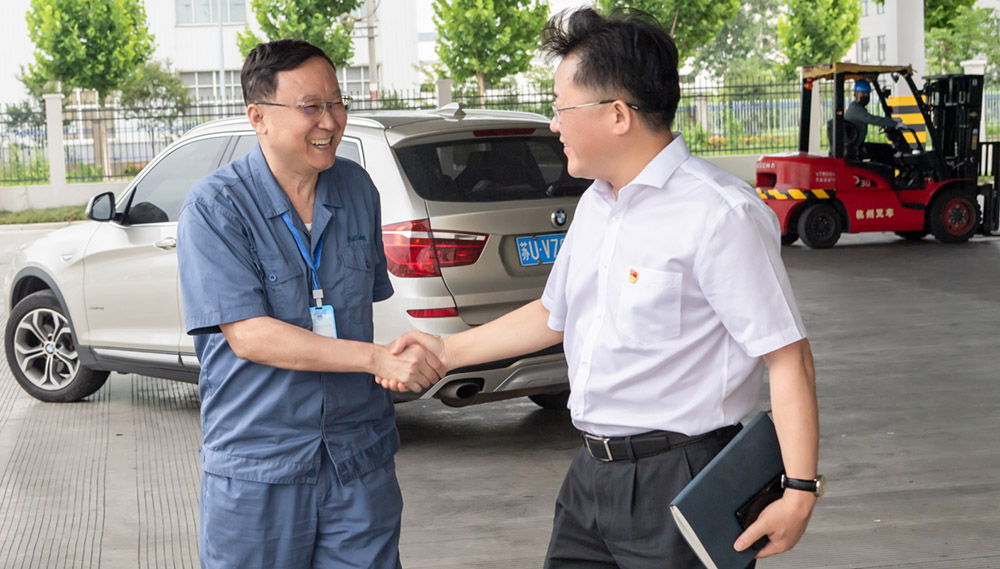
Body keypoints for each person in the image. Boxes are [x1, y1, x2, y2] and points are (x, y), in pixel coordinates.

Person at [382, 8, 820, 569]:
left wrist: (799, 490)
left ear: (617, 114)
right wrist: (445, 352)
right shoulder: (597, 203)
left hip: (681, 477)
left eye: (561, 107)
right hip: (591, 474)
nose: (554, 124)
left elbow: (787, 357)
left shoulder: (719, 214)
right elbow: (553, 313)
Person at [176, 39, 444, 569]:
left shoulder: (357, 189)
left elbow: (363, 304)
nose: (330, 121)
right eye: (311, 107)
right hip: (261, 466)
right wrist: (377, 359)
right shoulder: (215, 207)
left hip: (357, 459)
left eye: (336, 103)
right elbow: (250, 336)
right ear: (259, 117)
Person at [845, 78, 900, 163]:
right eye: (863, 94)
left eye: (867, 94)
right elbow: (871, 119)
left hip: (856, 145)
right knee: (887, 149)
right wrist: (894, 123)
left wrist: (888, 122)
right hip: (857, 148)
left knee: (883, 150)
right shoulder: (856, 109)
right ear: (855, 94)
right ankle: (886, 171)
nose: (865, 96)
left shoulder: (856, 107)